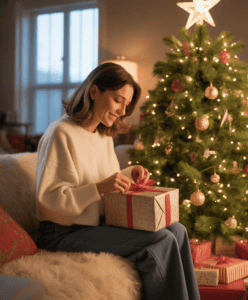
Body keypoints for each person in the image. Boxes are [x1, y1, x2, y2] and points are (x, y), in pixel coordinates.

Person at [35, 62, 201, 300]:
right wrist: (99, 188)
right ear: (94, 92)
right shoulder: (61, 133)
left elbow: (107, 180)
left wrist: (131, 174)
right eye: (117, 100)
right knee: (161, 240)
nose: (123, 111)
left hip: (96, 224)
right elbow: (48, 203)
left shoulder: (102, 135)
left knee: (177, 230)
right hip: (61, 232)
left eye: (126, 104)